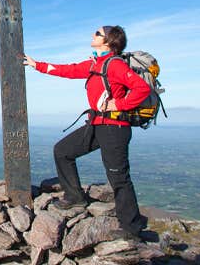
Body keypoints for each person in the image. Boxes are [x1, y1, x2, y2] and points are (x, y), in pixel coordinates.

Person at [23, 25, 151, 238]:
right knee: (62, 151)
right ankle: (75, 196)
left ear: (109, 42)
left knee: (118, 178)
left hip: (114, 129)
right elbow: (69, 70)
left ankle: (132, 228)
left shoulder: (114, 65)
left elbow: (142, 88)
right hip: (97, 125)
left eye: (98, 34)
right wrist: (37, 65)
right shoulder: (96, 64)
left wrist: (117, 105)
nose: (93, 35)